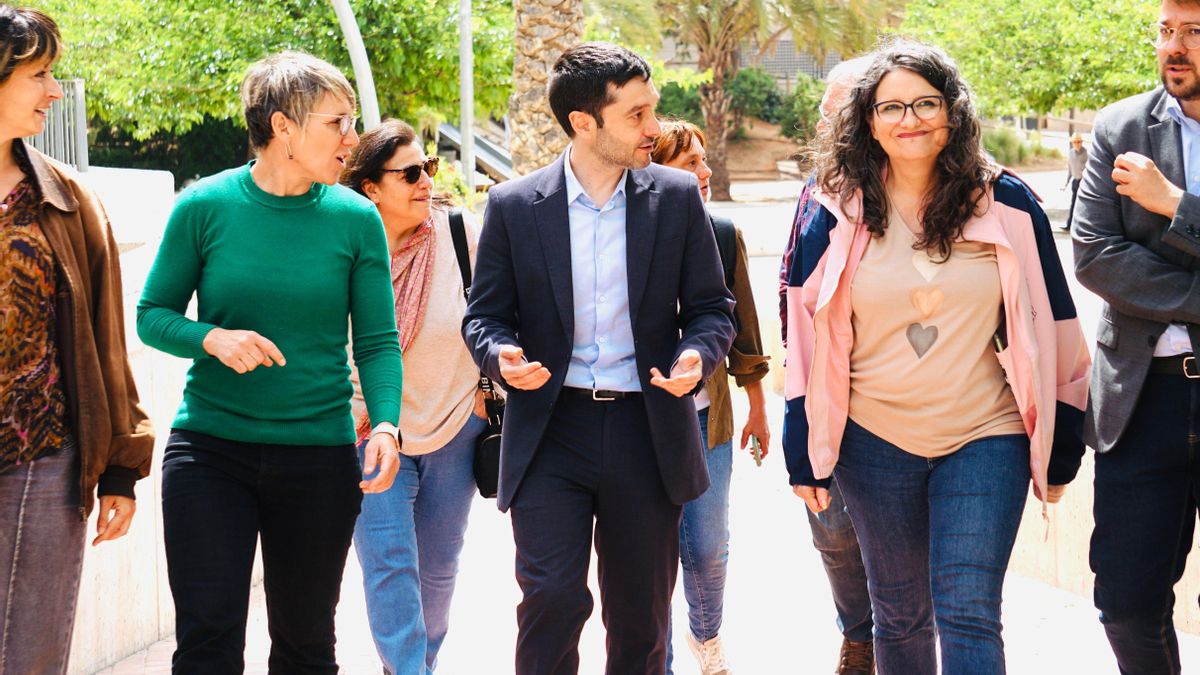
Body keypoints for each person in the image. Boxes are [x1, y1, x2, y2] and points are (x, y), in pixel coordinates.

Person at [784, 39, 1090, 674]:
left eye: (926, 103)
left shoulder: (1007, 203)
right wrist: (801, 446)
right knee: (898, 617)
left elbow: (1058, 321)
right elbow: (805, 334)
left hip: (986, 434)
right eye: (891, 107)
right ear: (868, 121)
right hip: (872, 439)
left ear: (953, 111)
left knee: (969, 609)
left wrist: (1064, 442)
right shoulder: (834, 210)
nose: (910, 119)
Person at [462, 42, 736, 675]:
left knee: (641, 620)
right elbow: (483, 316)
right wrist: (500, 356)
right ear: (583, 122)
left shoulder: (676, 197)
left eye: (652, 109)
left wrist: (696, 355)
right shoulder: (512, 206)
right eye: (636, 115)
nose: (654, 127)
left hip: (648, 429)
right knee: (552, 599)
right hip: (550, 430)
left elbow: (711, 309)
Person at [136, 51, 404, 673]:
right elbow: (152, 314)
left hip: (319, 458)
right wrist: (212, 339)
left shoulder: (356, 219)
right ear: (283, 126)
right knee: (206, 644)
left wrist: (387, 424)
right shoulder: (204, 205)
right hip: (210, 454)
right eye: (337, 123)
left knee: (307, 646)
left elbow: (376, 342)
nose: (352, 138)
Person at [0, 6, 154, 672]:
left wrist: (121, 465)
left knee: (30, 656)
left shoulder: (67, 200)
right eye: (38, 74)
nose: (54, 91)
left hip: (39, 461)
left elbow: (105, 345)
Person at [1073, 1, 1200, 671]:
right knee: (1125, 602)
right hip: (1141, 396)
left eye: (1194, 32)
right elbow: (1095, 255)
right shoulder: (1120, 127)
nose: (1174, 47)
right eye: (1166, 31)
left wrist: (1175, 204)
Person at [340, 119, 484, 674]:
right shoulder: (344, 246)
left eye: (429, 168)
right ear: (371, 187)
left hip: (455, 427)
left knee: (438, 573)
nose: (426, 181)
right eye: (409, 174)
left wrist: (486, 391)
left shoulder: (460, 235)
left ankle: (416, 664)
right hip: (369, 430)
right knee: (389, 566)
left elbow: (499, 315)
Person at [650, 119, 770, 675]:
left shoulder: (722, 233)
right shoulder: (628, 232)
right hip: (642, 421)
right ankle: (660, 659)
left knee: (708, 545)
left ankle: (706, 635)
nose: (704, 171)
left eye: (703, 159)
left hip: (706, 420)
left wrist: (758, 408)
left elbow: (745, 332)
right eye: (689, 163)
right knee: (651, 551)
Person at [778, 57, 876, 675]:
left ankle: (897, 640)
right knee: (832, 528)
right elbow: (795, 286)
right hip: (822, 388)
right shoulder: (818, 185)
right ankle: (860, 634)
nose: (822, 122)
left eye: (833, 110)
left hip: (894, 391)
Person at [1063, 133, 1088, 230]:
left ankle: (1083, 226)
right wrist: (1065, 184)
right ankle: (1069, 225)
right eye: (1075, 142)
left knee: (1084, 205)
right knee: (1073, 203)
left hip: (1084, 182)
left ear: (1081, 142)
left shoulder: (1085, 153)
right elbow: (1070, 171)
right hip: (1075, 182)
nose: (1077, 144)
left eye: (1079, 141)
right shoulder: (1070, 154)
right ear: (1072, 143)